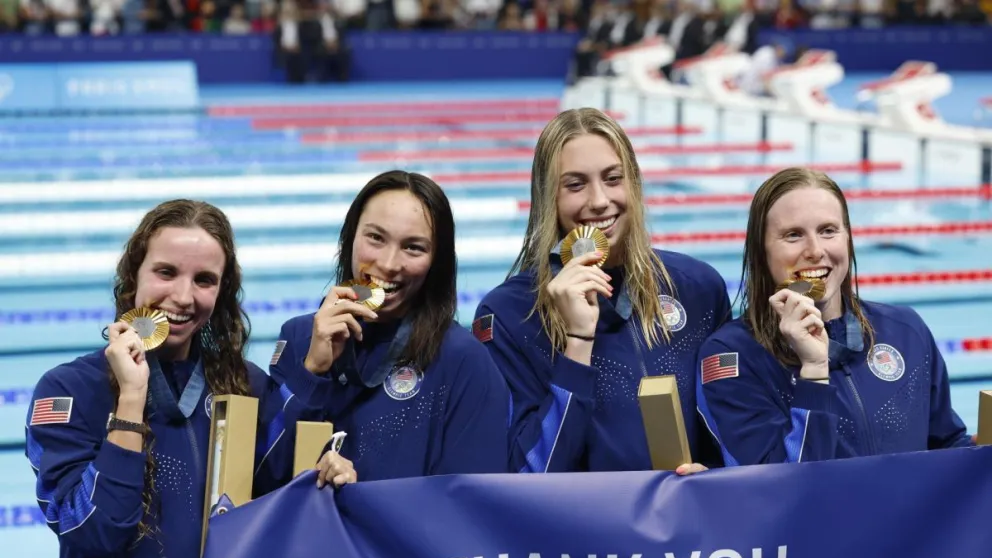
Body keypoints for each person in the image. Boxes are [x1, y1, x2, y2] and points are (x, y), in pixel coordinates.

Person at [24, 200, 309, 558]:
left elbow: (287, 508)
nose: (182, 296)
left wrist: (328, 468)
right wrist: (131, 400)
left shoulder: (247, 386)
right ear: (133, 274)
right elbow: (96, 529)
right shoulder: (70, 392)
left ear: (223, 292)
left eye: (204, 280)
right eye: (166, 272)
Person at [473, 107, 732, 474]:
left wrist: (716, 477)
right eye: (575, 185)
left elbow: (732, 434)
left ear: (635, 184)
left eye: (613, 178)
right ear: (549, 199)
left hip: (686, 520)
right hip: (582, 527)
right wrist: (577, 342)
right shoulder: (509, 314)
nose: (599, 200)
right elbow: (529, 475)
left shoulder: (696, 287)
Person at [696, 167, 974, 466]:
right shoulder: (731, 357)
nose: (815, 251)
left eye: (828, 231)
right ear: (761, 252)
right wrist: (814, 372)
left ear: (848, 239)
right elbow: (779, 489)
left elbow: (948, 447)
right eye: (793, 235)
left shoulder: (905, 330)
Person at [269, 170, 511, 487]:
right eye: (375, 238)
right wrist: (311, 373)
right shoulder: (299, 338)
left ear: (436, 262)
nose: (389, 263)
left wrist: (361, 501)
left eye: (413, 247)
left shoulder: (464, 364)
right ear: (350, 237)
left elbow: (470, 511)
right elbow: (259, 478)